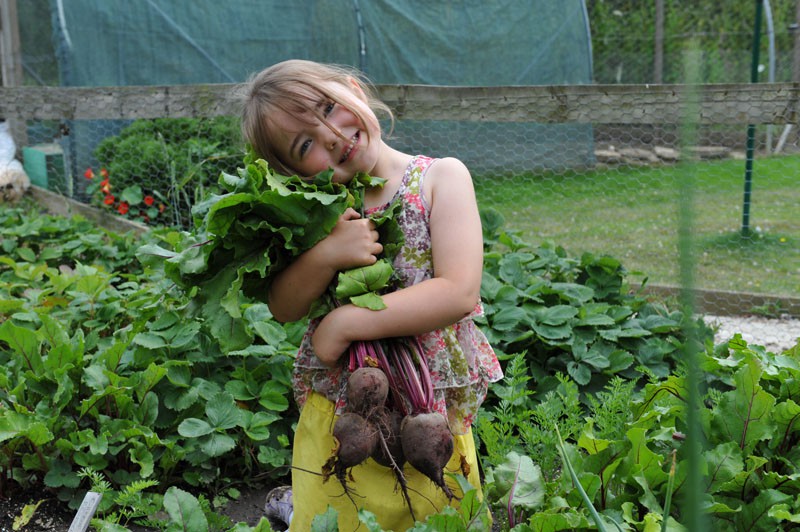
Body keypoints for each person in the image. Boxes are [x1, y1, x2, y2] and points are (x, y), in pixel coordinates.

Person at [239, 59, 503, 531]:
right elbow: (284, 306)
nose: (332, 137)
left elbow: (458, 292)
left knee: (436, 509)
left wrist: (347, 322)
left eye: (328, 108)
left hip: (427, 414)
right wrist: (325, 254)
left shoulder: (441, 179)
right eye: (306, 145)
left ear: (354, 88)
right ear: (290, 172)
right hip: (345, 413)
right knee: (334, 512)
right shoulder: (313, 213)